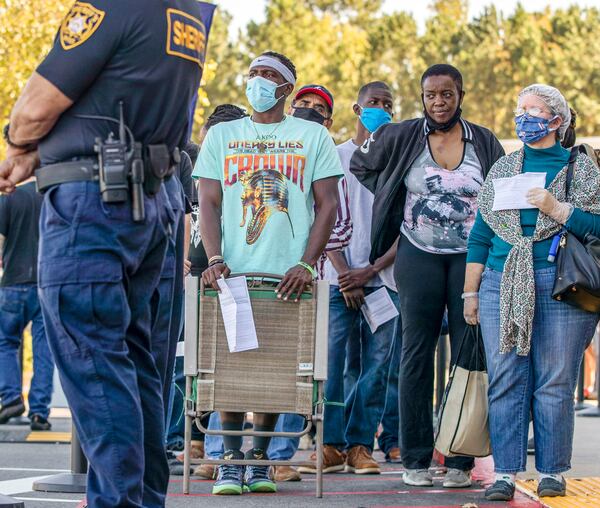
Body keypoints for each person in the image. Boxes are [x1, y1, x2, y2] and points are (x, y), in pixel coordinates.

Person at [0, 0, 212, 505]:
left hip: (94, 207)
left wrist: (17, 144)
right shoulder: (188, 13)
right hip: (147, 198)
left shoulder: (109, 6)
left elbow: (35, 109)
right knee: (134, 368)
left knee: (94, 363)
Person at [194, 51, 343, 495]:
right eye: (254, 73)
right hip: (234, 271)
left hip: (287, 276)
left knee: (276, 370)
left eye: (268, 75)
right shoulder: (222, 135)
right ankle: (229, 460)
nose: (258, 81)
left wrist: (305, 262)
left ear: (286, 88)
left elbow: (328, 205)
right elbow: (209, 202)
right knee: (234, 366)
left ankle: (259, 460)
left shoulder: (312, 137)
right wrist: (215, 259)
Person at [350, 64, 504, 488]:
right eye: (431, 95)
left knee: (469, 354)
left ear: (460, 95)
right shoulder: (402, 136)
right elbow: (363, 167)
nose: (439, 102)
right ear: (422, 98)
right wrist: (390, 197)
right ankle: (415, 458)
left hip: (470, 261)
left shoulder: (484, 140)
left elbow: (503, 189)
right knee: (415, 355)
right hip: (417, 255)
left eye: (447, 94)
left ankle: (458, 460)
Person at [464, 84, 600, 501]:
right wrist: (469, 293)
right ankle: (505, 473)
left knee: (554, 382)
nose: (524, 116)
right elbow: (481, 235)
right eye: (519, 108)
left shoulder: (582, 169)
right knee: (505, 379)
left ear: (557, 120)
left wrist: (557, 209)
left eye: (534, 109)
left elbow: (596, 227)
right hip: (500, 283)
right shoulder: (504, 168)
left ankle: (552, 471)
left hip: (561, 286)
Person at [300, 81, 400, 475]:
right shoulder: (334, 156)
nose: (381, 108)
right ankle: (330, 444)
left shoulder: (398, 162)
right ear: (357, 110)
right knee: (333, 364)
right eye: (373, 102)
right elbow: (320, 218)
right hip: (336, 279)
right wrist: (346, 275)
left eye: (387, 103)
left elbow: (406, 226)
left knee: (377, 368)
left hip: (385, 282)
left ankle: (361, 445)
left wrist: (371, 271)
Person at [167, 106, 249, 477]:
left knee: (224, 366)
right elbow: (181, 213)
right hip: (191, 280)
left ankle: (218, 450)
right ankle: (185, 441)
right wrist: (180, 254)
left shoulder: (242, 172)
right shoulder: (192, 162)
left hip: (229, 280)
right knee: (185, 366)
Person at [0, 180, 54, 431]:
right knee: (44, 348)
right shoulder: (52, 194)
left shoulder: (10, 197)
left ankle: (10, 397)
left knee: (6, 341)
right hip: (46, 282)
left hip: (14, 281)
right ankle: (40, 413)